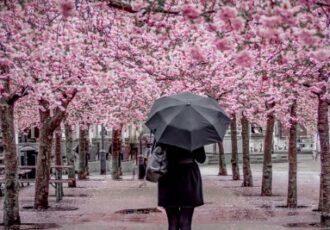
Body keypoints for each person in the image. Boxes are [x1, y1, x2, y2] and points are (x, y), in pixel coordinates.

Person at [158, 144, 206, 230]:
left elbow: (157, 153)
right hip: (188, 177)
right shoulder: (193, 134)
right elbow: (202, 158)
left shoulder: (164, 134)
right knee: (185, 219)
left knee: (172, 220)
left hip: (168, 176)